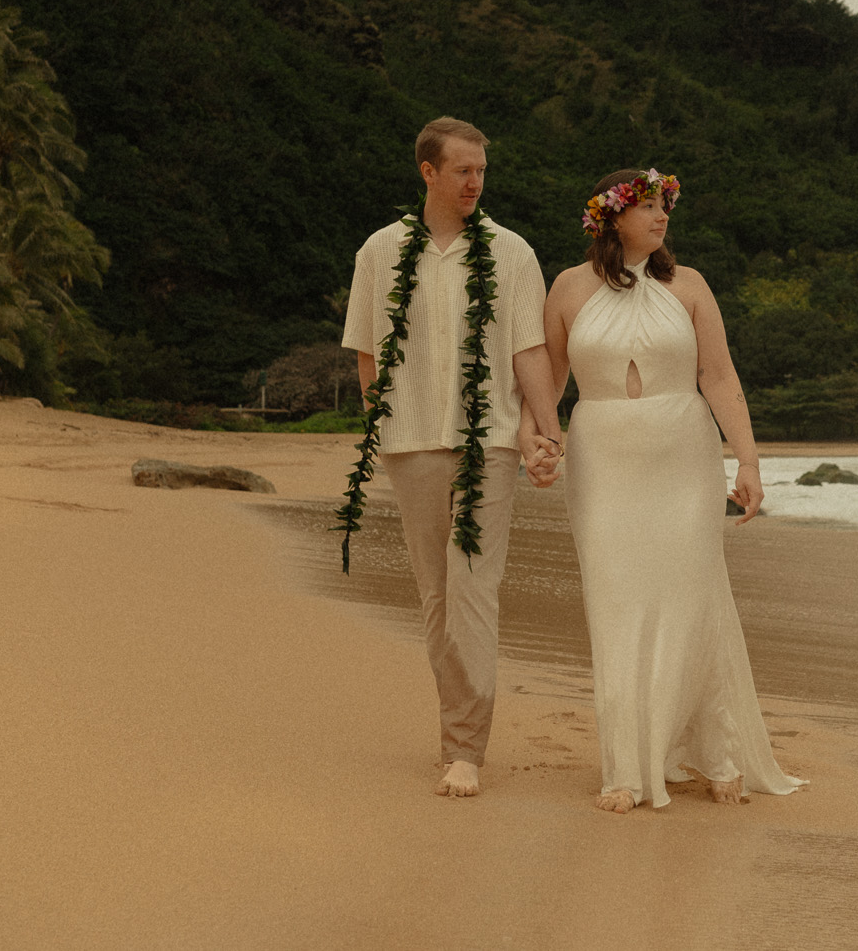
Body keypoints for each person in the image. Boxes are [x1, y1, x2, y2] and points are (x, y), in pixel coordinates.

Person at [541, 168, 804, 812]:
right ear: (611, 216)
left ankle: (713, 752)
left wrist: (747, 460)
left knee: (691, 595)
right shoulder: (569, 288)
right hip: (603, 457)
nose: (662, 217)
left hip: (682, 450)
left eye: (665, 205)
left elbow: (718, 375)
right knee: (617, 601)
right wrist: (540, 442)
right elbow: (546, 378)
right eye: (649, 207)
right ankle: (626, 769)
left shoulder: (688, 286)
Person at [340, 117, 562, 799]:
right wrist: (379, 427)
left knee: (473, 585)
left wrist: (545, 433)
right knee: (436, 595)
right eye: (462, 169)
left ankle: (464, 748)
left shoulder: (513, 253)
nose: (475, 182)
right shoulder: (380, 252)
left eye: (482, 170)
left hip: (488, 442)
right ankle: (455, 731)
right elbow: (366, 351)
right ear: (428, 172)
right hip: (410, 441)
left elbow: (530, 351)